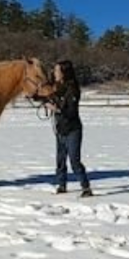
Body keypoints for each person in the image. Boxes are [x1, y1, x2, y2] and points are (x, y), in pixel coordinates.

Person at [46, 60, 92, 197]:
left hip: (73, 129)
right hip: (60, 128)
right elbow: (50, 97)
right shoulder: (57, 87)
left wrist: (56, 109)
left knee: (74, 160)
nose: (54, 73)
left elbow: (71, 112)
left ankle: (86, 187)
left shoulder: (72, 89)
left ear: (64, 72)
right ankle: (61, 185)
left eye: (57, 71)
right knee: (60, 160)